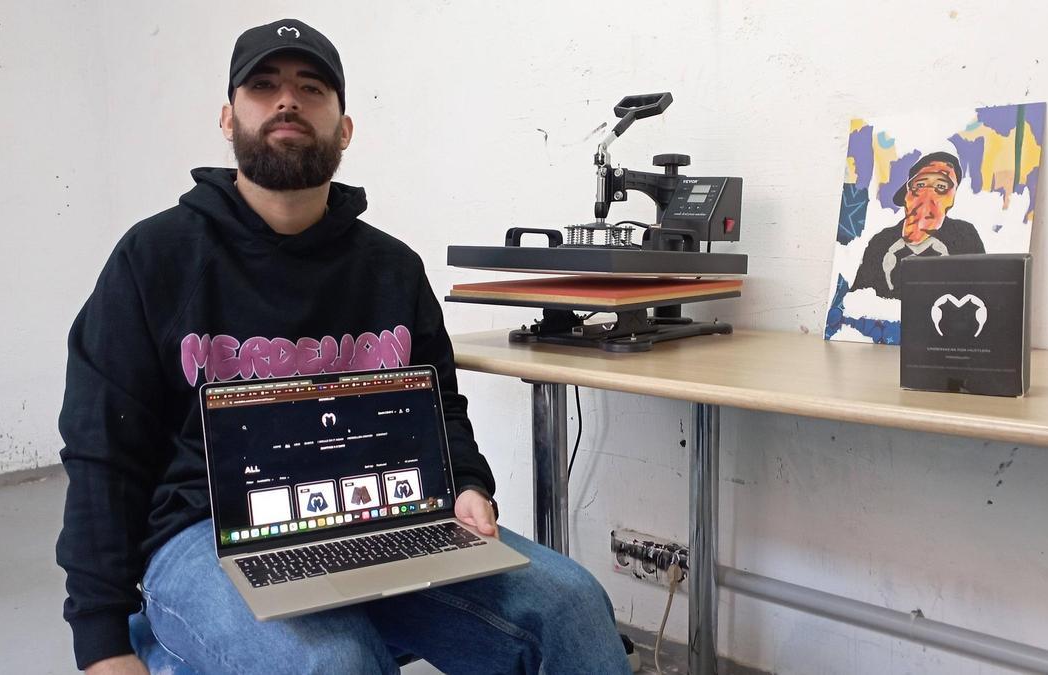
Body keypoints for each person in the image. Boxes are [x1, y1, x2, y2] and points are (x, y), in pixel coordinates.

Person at [56, 18, 632, 674]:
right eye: (264, 85)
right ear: (227, 118)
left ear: (345, 128)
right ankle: (170, 646)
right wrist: (101, 642)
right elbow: (103, 452)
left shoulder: (392, 269)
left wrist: (468, 484)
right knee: (336, 660)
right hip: (206, 535)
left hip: (385, 524)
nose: (287, 100)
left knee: (573, 603)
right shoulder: (153, 259)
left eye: (311, 88)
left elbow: (441, 407)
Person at [851, 151, 985, 299]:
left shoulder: (965, 237)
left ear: (952, 199)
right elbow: (857, 301)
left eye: (941, 186)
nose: (928, 195)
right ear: (906, 195)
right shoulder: (881, 242)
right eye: (920, 185)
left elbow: (982, 296)